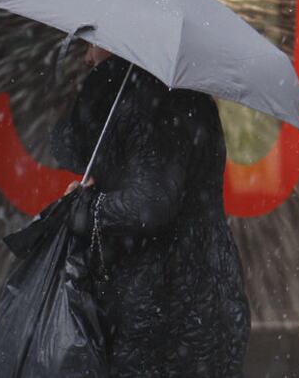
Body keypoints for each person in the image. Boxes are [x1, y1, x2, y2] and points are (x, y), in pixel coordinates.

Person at [50, 42, 251, 378]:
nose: (87, 57)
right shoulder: (185, 96)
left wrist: (84, 207)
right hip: (202, 296)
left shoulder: (148, 102)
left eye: (93, 44)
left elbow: (150, 204)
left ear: (120, 43)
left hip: (166, 308)